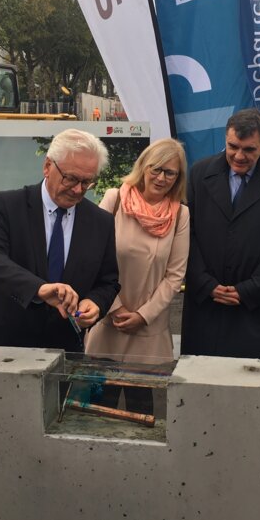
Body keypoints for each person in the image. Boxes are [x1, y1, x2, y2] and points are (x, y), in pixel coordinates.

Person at [0, 128, 120, 351]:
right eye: (71, 178)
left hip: (63, 347)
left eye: (87, 182)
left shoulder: (101, 221)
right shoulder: (8, 205)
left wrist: (95, 303)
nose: (78, 190)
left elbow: (108, 281)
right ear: (47, 166)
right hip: (2, 342)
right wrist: (38, 288)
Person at [181, 108, 260, 359]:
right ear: (225, 139)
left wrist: (250, 289)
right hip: (206, 303)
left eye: (248, 149)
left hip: (255, 307)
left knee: (252, 377)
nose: (238, 156)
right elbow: (186, 232)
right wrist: (205, 283)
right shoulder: (200, 173)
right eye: (233, 147)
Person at [85, 139, 190, 414]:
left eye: (170, 172)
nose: (162, 178)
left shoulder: (181, 215)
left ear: (178, 177)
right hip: (108, 324)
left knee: (142, 417)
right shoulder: (115, 199)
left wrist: (143, 316)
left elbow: (175, 275)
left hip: (147, 331)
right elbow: (92, 260)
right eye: (156, 169)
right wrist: (114, 308)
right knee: (97, 413)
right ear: (143, 166)